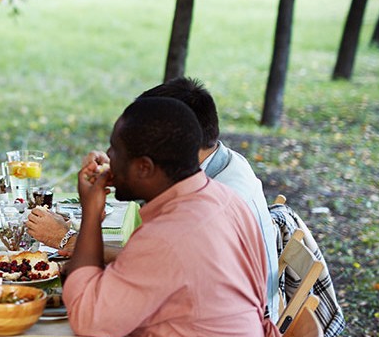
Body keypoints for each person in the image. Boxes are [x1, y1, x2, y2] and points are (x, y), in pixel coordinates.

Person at [28, 77, 281, 323]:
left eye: (116, 149)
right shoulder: (222, 178)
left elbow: (86, 315)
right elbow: (157, 262)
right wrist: (127, 171)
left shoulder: (184, 225)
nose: (107, 156)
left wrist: (84, 222)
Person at [62, 97, 290, 337]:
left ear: (144, 167)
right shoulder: (225, 198)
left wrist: (91, 213)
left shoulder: (167, 237)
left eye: (115, 150)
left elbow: (88, 320)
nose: (108, 158)